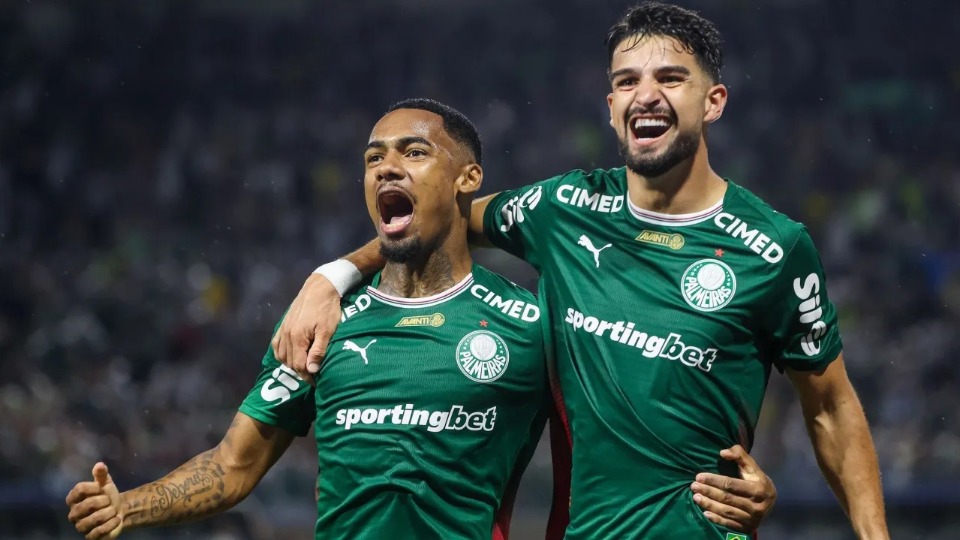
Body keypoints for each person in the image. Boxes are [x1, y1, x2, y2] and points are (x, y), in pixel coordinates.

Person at [271, 3, 889, 539]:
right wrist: (333, 276)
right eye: (627, 81)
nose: (646, 95)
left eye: (671, 78)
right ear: (612, 105)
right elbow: (436, 218)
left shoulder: (776, 248)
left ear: (714, 101)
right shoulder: (562, 208)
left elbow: (830, 406)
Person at [66, 99, 560, 540]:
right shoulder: (321, 321)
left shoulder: (528, 325)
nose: (387, 168)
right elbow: (232, 466)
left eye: (414, 152)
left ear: (467, 178)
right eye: (373, 158)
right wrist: (126, 506)